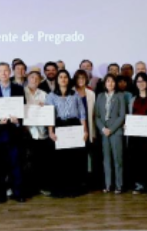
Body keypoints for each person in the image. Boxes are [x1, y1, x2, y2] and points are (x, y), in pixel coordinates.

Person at [0, 62, 27, 202]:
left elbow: (23, 109)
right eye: (0, 71)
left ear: (10, 72)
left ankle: (18, 193)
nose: (3, 73)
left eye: (6, 70)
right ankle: (1, 194)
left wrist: (18, 121)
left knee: (17, 165)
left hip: (15, 133)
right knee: (0, 167)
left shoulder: (19, 89)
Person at [46, 70, 88, 198]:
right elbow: (49, 115)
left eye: (65, 77)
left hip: (74, 127)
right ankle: (60, 189)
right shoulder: (51, 96)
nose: (63, 79)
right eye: (61, 77)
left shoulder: (75, 94)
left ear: (68, 80)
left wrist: (85, 130)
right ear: (57, 80)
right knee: (59, 160)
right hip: (59, 127)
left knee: (73, 159)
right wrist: (50, 131)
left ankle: (74, 188)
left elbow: (82, 114)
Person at [94, 74, 126, 194]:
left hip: (116, 131)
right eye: (108, 81)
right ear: (105, 83)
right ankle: (108, 184)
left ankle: (119, 185)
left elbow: (122, 115)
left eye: (112, 81)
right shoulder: (100, 96)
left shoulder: (120, 96)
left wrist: (111, 129)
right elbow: (96, 116)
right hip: (103, 132)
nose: (110, 84)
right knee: (106, 160)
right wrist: (103, 128)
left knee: (117, 159)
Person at [24, 69, 51, 198]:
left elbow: (50, 113)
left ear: (40, 80)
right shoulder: (21, 92)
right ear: (27, 78)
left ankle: (42, 186)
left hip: (41, 133)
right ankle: (30, 188)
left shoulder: (45, 94)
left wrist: (44, 107)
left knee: (42, 162)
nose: (34, 80)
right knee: (27, 162)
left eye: (36, 78)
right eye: (31, 77)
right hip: (26, 132)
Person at [73, 69, 97, 189]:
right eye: (78, 78)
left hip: (88, 127)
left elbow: (94, 114)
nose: (81, 80)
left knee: (88, 154)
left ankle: (86, 181)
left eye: (83, 78)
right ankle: (77, 180)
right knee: (76, 155)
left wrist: (92, 131)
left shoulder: (91, 93)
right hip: (73, 128)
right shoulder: (71, 92)